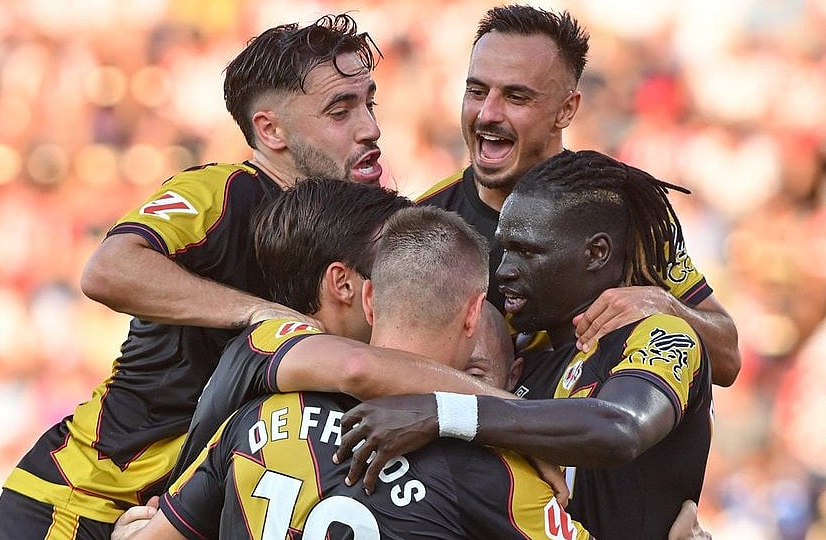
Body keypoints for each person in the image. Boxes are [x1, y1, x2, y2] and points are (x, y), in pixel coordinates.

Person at [0, 14, 386, 539]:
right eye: (341, 110)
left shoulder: (357, 219)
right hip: (84, 500)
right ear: (270, 130)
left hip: (182, 512)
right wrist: (254, 311)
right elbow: (108, 268)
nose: (370, 128)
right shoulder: (224, 193)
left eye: (369, 103)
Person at [112, 206, 591, 540]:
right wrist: (519, 418)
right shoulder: (496, 469)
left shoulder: (257, 416)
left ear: (368, 299)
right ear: (473, 315)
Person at [338, 150, 713, 540]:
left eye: (528, 252)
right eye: (504, 249)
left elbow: (622, 427)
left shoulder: (663, 334)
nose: (503, 272)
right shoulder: (526, 366)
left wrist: (439, 412)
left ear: (596, 253)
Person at [415, 4, 740, 386]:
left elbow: (727, 359)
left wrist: (664, 305)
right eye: (476, 91)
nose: (487, 113)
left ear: (566, 109)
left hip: (603, 434)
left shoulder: (620, 208)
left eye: (516, 97)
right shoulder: (425, 223)